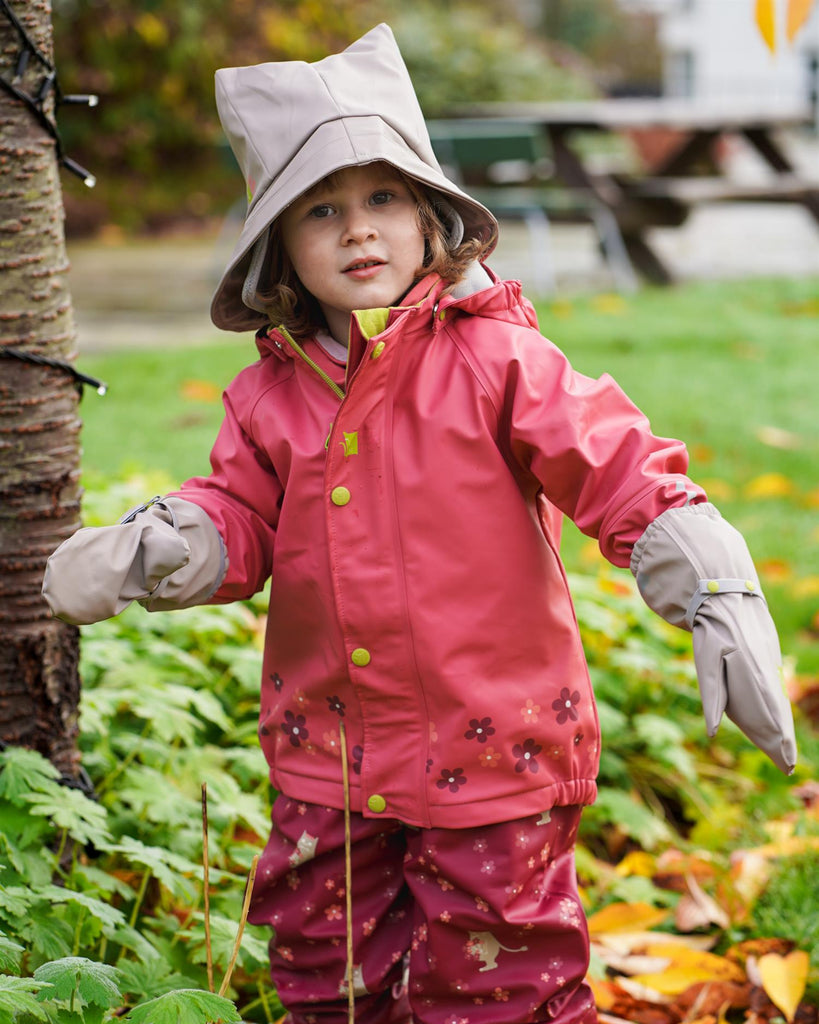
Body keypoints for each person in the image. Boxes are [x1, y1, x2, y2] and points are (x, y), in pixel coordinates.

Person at [43, 23, 797, 1024]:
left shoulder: (501, 363)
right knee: (325, 974)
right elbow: (243, 514)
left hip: (498, 759)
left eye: (383, 198)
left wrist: (709, 574)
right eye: (323, 209)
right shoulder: (270, 399)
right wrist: (171, 540)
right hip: (331, 760)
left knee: (503, 981)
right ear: (279, 244)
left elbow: (612, 461)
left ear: (430, 214)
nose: (360, 230)